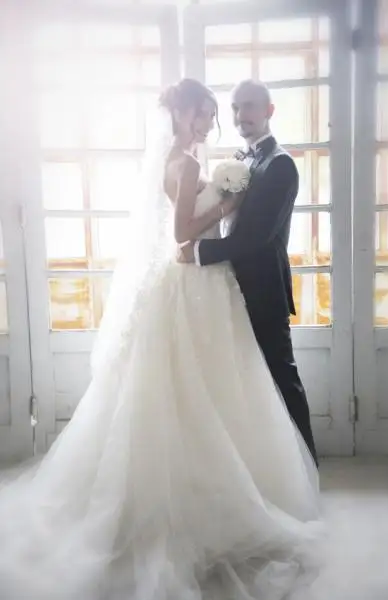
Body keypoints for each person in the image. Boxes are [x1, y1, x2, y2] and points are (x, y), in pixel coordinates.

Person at [0, 78, 323, 600]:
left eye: (218, 112)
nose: (214, 122)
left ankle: (286, 478)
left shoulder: (229, 159)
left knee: (234, 383)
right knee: (200, 388)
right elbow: (182, 232)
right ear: (182, 114)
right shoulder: (189, 162)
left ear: (265, 110)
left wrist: (220, 213)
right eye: (207, 113)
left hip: (213, 279)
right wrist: (225, 204)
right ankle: (213, 494)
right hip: (195, 281)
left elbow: (245, 232)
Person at [179, 79, 318, 465]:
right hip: (231, 285)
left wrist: (199, 251)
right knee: (249, 381)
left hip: (264, 287)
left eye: (251, 106)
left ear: (270, 111)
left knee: (281, 375)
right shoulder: (242, 159)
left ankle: (307, 466)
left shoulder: (280, 164)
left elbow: (257, 236)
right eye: (236, 107)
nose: (242, 115)